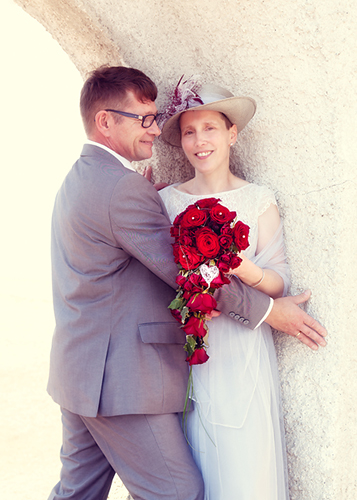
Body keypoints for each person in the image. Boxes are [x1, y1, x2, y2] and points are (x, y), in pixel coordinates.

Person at [47, 66, 326, 500]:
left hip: (79, 376)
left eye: (155, 118)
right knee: (177, 491)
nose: (154, 130)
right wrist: (272, 312)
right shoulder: (124, 189)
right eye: (143, 119)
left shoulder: (79, 180)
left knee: (77, 493)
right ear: (105, 121)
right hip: (121, 383)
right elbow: (186, 275)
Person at [158, 78, 325, 499]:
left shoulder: (258, 200)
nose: (200, 141)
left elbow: (280, 279)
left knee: (244, 468)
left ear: (232, 134)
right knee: (194, 464)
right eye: (189, 132)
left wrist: (244, 268)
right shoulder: (166, 203)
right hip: (189, 353)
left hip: (244, 349)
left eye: (210, 128)